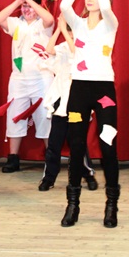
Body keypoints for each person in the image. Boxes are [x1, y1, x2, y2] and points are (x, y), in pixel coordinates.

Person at [58, 0, 121, 228]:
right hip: (79, 91)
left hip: (104, 90)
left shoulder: (110, 24)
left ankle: (111, 204)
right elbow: (64, 4)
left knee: (108, 145)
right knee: (76, 145)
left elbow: (106, 6)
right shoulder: (78, 24)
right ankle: (72, 204)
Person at [0, 0, 54, 173]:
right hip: (19, 79)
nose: (27, 9)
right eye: (25, 7)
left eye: (30, 6)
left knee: (45, 116)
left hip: (42, 78)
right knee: (15, 115)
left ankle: (51, 157)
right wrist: (18, 1)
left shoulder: (43, 25)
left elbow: (50, 19)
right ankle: (13, 158)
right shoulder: (16, 24)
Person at [38, 13, 99, 192]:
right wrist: (59, 29)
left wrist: (65, 30)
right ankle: (49, 178)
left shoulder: (85, 46)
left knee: (78, 142)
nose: (71, 34)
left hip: (78, 101)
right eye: (69, 30)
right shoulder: (63, 46)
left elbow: (76, 53)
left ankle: (87, 175)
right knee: (54, 143)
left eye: (73, 30)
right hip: (61, 100)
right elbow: (49, 50)